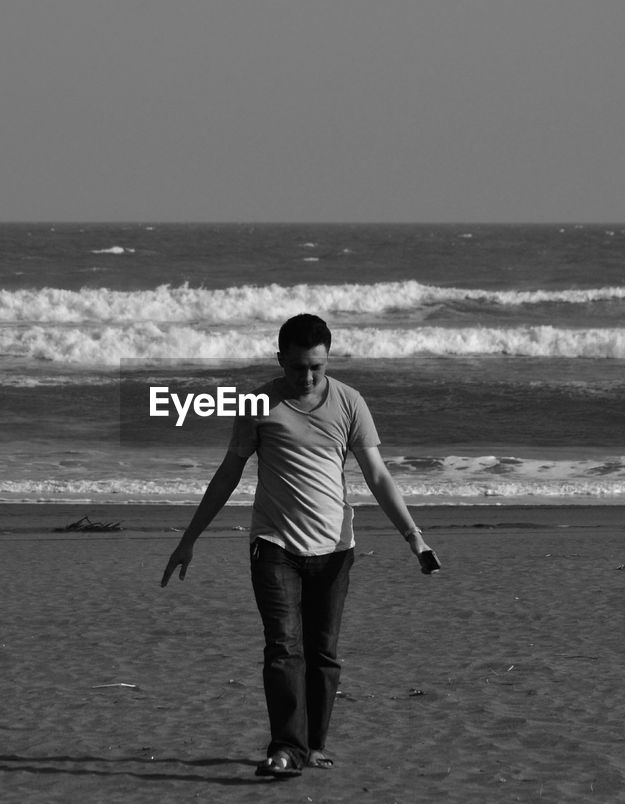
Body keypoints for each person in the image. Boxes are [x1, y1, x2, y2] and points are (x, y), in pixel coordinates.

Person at [160, 313, 438, 778]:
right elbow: (229, 473)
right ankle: (285, 749)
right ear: (280, 360)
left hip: (334, 549)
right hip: (274, 545)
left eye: (317, 367)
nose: (307, 378)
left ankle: (314, 745)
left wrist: (415, 538)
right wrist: (189, 539)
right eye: (297, 368)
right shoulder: (257, 404)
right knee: (284, 648)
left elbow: (377, 475)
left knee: (323, 652)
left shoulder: (350, 403)